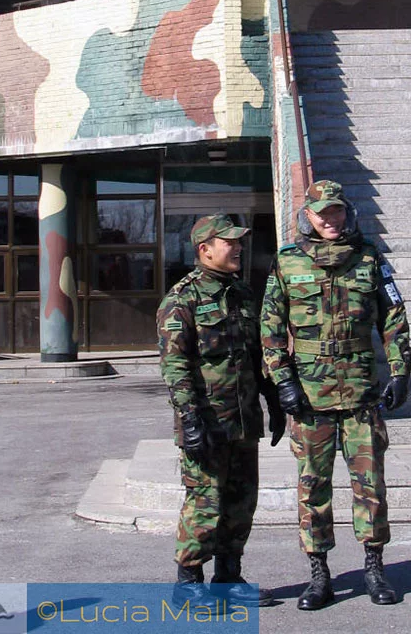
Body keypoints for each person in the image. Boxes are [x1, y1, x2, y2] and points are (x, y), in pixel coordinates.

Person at [261, 180, 411, 610]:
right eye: (322, 213)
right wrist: (283, 380)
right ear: (307, 217)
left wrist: (401, 370)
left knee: (371, 486)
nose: (331, 219)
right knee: (313, 487)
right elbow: (270, 328)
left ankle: (374, 567)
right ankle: (319, 574)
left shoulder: (369, 259)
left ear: (346, 213)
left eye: (337, 211)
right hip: (310, 397)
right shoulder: (287, 264)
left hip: (361, 395)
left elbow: (394, 318)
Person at [157, 213, 285, 606]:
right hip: (208, 423)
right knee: (205, 503)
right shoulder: (182, 299)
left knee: (241, 503)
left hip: (243, 420)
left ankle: (228, 578)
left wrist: (273, 400)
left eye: (239, 241)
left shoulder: (243, 294)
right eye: (229, 242)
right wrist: (191, 418)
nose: (238, 248)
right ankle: (188, 583)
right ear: (205, 249)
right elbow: (175, 366)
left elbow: (256, 353)